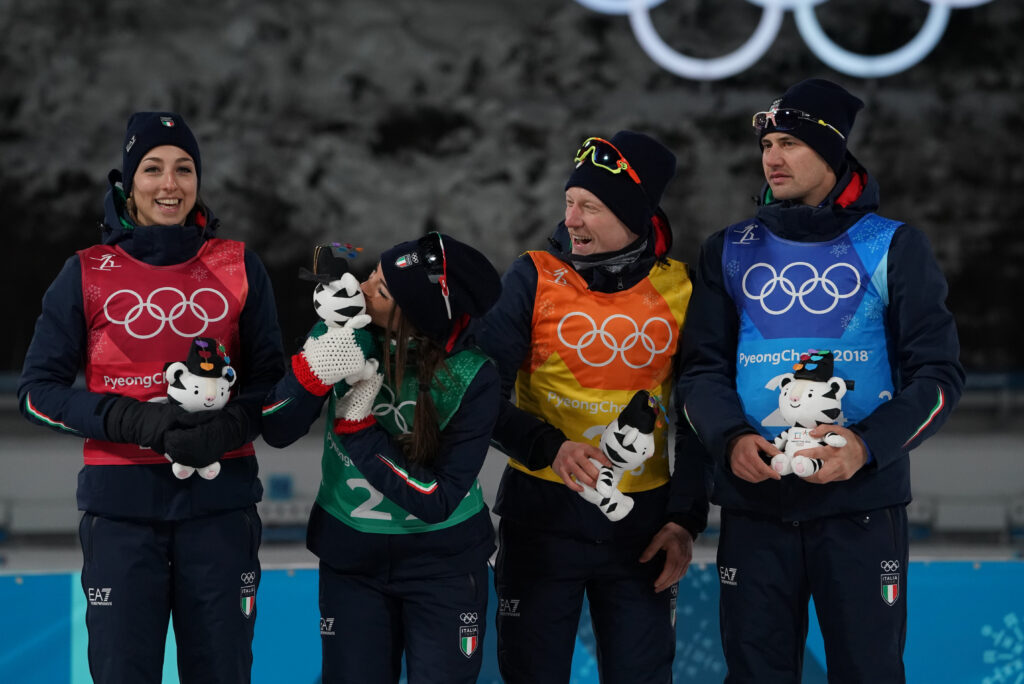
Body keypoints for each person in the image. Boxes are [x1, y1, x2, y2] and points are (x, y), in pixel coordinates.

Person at [676, 78, 965, 682]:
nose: (772, 158)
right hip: (756, 508)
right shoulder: (728, 249)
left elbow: (938, 377)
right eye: (766, 144)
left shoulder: (893, 246)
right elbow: (699, 371)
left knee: (868, 672)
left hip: (861, 511)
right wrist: (730, 440)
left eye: (789, 143)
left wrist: (865, 446)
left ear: (831, 151)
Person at [17, 111, 285, 683]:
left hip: (220, 509)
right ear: (127, 181)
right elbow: (38, 394)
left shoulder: (237, 266)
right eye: (153, 168)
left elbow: (270, 383)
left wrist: (226, 429)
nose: (170, 183)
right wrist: (131, 419)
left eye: (184, 168)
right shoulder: (86, 272)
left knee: (222, 672)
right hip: (121, 514)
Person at [476, 130, 711, 683]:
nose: (572, 220)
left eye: (591, 206)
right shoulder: (533, 275)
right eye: (569, 203)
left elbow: (699, 419)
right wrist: (550, 448)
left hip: (641, 529)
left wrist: (684, 520)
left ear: (635, 216)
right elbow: (479, 394)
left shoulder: (681, 288)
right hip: (541, 520)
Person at [260, 233, 503, 683]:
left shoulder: (473, 375)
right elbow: (275, 429)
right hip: (352, 560)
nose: (362, 288)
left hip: (444, 566)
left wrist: (360, 432)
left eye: (383, 290)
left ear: (420, 317)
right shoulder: (341, 331)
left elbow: (439, 498)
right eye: (373, 274)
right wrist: (308, 376)